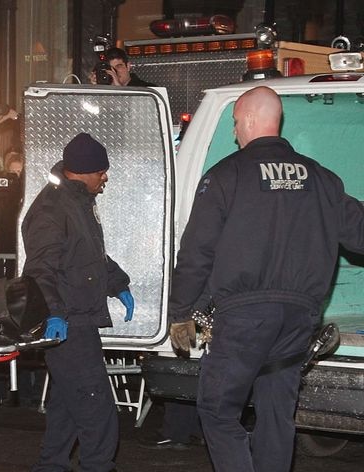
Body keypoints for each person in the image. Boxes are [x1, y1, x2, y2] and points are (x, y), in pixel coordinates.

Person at [167, 86, 364, 472]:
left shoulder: (226, 176)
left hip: (244, 318)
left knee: (217, 410)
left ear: (252, 120)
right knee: (277, 415)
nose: (235, 132)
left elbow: (197, 252)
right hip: (299, 321)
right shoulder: (322, 179)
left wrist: (181, 311)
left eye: (237, 122)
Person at [22, 132, 135, 471]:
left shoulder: (77, 203)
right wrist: (56, 313)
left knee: (68, 405)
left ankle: (51, 465)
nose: (105, 177)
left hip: (78, 318)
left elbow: (90, 255)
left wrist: (118, 283)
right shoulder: (52, 208)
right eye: (101, 171)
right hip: (67, 322)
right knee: (95, 405)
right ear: (84, 171)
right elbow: (40, 269)